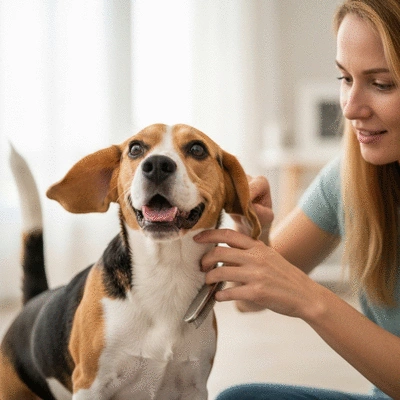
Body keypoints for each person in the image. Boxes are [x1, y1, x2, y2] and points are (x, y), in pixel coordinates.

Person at [194, 0, 400, 399]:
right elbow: (249, 302)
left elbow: (297, 294)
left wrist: (310, 299)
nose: (352, 108)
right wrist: (257, 233)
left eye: (382, 84)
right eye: (345, 78)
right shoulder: (351, 178)